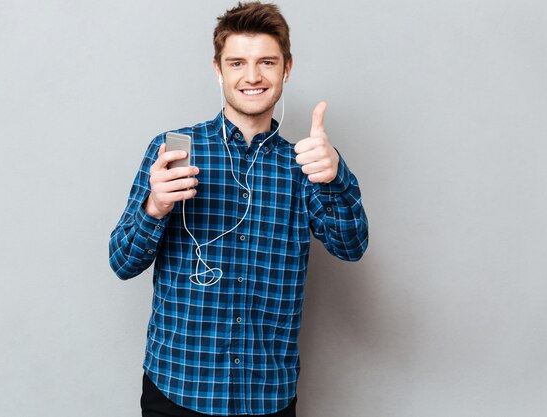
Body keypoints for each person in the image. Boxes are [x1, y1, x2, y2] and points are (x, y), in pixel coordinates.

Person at [108, 2, 369, 416]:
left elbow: (351, 246)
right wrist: (154, 207)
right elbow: (122, 262)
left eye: (266, 61)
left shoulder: (307, 166)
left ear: (286, 68)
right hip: (178, 387)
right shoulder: (172, 152)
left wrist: (335, 175)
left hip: (266, 396)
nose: (252, 76)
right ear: (218, 69)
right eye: (237, 63)